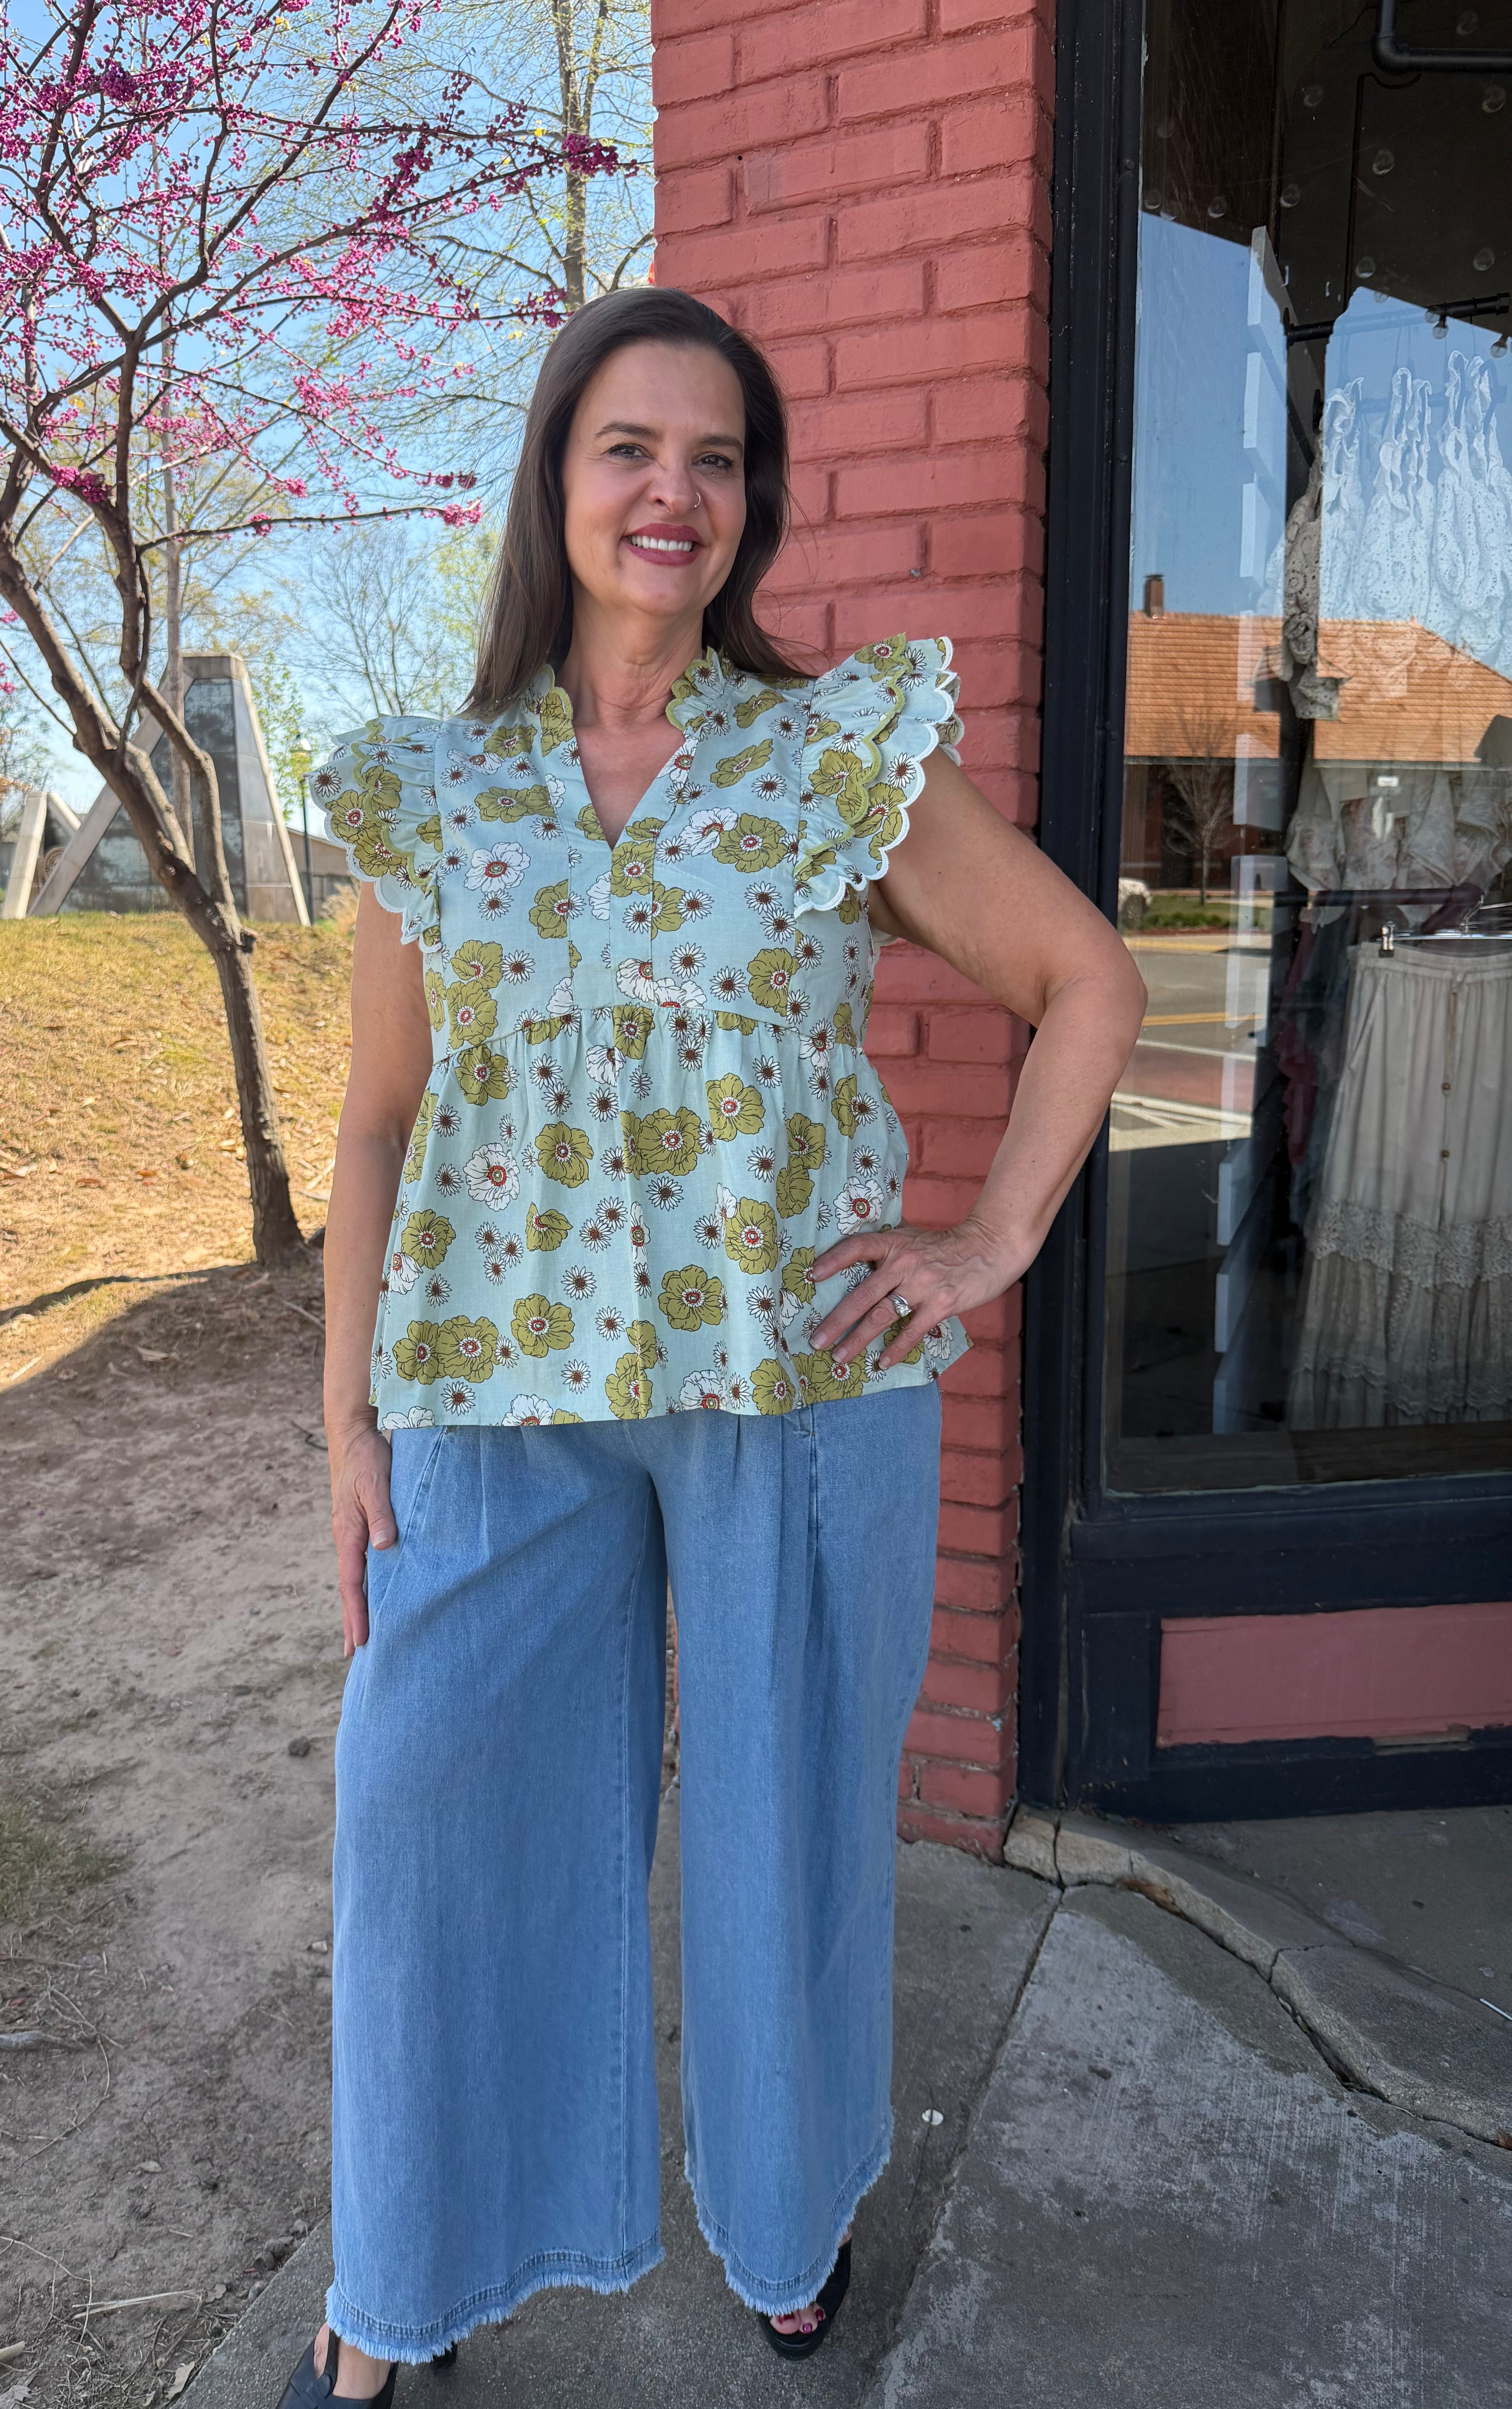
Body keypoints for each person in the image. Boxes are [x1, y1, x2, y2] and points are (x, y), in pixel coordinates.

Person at [286, 286, 1145, 2405]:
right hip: (491, 1396)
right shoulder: (434, 790)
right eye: (630, 447)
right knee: (426, 1819)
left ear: (750, 504)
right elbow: (380, 1122)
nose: (673, 492)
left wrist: (990, 1240)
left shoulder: (832, 755)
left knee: (788, 1831)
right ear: (554, 480)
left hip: (797, 1381)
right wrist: (345, 1418)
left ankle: (785, 2209)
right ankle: (399, 2279)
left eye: (717, 458)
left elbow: (1089, 980)